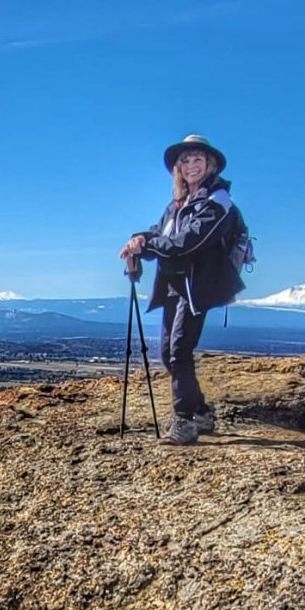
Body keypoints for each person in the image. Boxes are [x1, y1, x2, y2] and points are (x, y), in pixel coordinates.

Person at [120, 133, 246, 446]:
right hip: (176, 286)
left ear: (210, 164)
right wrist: (139, 240)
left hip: (198, 287)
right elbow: (160, 234)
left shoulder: (218, 202)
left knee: (178, 351)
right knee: (168, 353)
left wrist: (148, 244)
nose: (191, 165)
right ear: (178, 168)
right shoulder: (178, 204)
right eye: (185, 160)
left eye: (197, 159)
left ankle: (184, 422)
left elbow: (188, 242)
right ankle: (201, 412)